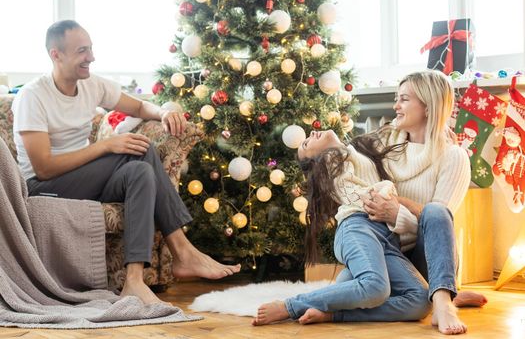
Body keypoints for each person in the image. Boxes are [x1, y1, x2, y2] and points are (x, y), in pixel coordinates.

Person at [11, 20, 240, 306]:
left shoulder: (91, 85)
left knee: (141, 172)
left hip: (84, 181)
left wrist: (165, 112)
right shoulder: (33, 96)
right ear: (56, 55)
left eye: (91, 49)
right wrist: (106, 146)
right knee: (139, 152)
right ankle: (182, 250)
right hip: (43, 185)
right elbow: (43, 167)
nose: (91, 57)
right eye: (82, 51)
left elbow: (140, 106)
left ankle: (134, 281)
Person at [254, 70, 481, 335]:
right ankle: (339, 312)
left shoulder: (453, 157)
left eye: (404, 99)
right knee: (354, 286)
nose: (395, 106)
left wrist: (398, 211)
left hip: (421, 257)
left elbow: (438, 226)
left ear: (429, 106)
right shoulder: (386, 141)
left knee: (435, 212)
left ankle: (442, 300)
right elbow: (339, 158)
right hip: (383, 245)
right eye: (397, 98)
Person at [252, 128, 432, 327]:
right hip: (357, 228)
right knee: (375, 287)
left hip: (386, 236)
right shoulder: (331, 161)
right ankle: (290, 306)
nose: (312, 132)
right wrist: (386, 190)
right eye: (306, 144)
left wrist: (437, 133)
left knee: (421, 300)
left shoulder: (354, 150)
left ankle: (334, 313)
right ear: (316, 161)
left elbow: (392, 129)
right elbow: (366, 197)